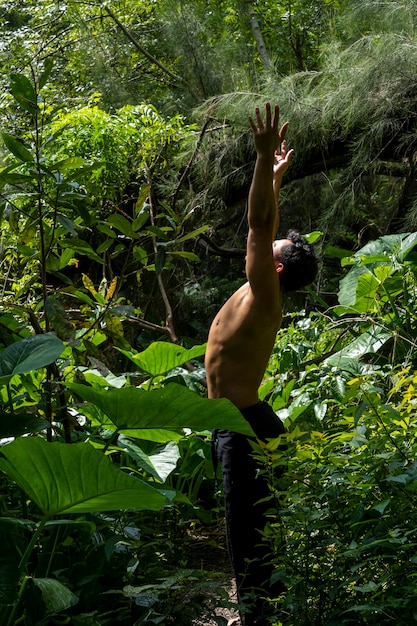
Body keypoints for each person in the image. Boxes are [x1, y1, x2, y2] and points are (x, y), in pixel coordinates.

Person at [205, 103, 318, 625]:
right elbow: (264, 222)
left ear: (273, 267)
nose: (270, 235)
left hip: (244, 429)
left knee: (245, 533)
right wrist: (274, 176)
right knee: (250, 528)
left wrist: (257, 162)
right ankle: (264, 611)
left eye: (271, 247)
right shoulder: (263, 291)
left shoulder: (264, 292)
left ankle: (257, 619)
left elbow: (257, 225)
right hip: (240, 423)